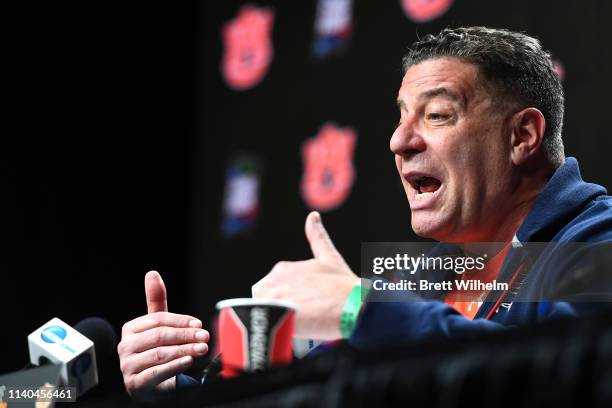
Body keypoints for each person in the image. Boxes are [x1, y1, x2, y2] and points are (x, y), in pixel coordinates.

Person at [117, 26, 612, 394]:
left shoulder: (598, 238)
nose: (398, 141)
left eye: (437, 115)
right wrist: (176, 392)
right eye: (401, 117)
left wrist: (356, 307)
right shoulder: (422, 277)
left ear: (522, 136)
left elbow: (564, 376)